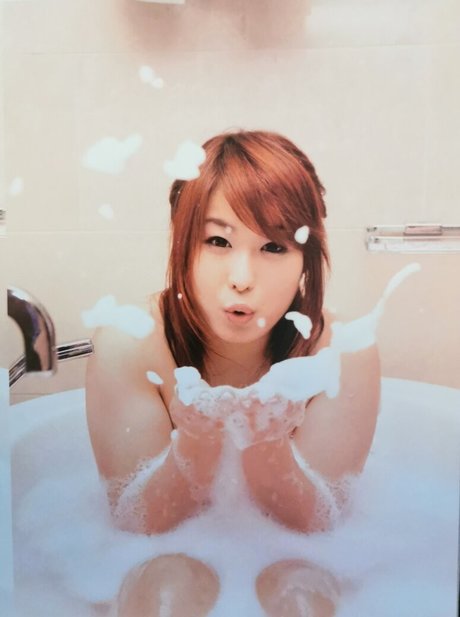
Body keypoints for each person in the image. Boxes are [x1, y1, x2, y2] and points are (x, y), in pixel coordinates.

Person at [85, 130, 380, 617]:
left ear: (306, 258)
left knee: (301, 589)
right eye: (218, 241)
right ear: (183, 242)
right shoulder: (130, 342)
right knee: (164, 583)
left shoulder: (343, 349)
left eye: (274, 247)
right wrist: (194, 446)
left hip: (297, 557)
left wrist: (268, 447)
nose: (242, 278)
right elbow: (137, 525)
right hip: (162, 557)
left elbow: (318, 526)